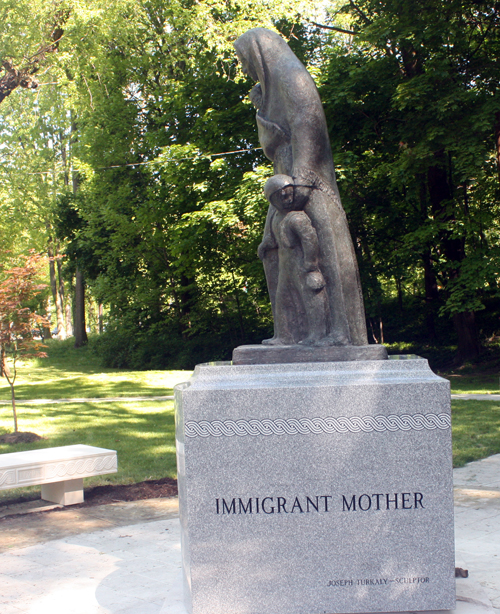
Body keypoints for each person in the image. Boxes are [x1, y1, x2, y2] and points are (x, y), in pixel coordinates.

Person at [234, 28, 368, 346]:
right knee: (277, 257)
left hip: (305, 182)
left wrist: (304, 178)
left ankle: (338, 333)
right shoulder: (270, 88)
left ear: (258, 54)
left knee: (326, 257)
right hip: (285, 179)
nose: (245, 69)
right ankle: (291, 333)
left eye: (245, 61)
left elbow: (308, 119)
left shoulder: (292, 76)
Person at [259, 174, 328, 346]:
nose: (287, 199)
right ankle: (284, 336)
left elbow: (309, 239)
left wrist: (310, 264)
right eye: (282, 197)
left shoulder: (297, 218)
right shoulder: (277, 218)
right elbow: (274, 240)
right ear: (272, 200)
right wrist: (264, 246)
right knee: (283, 299)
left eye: (289, 194)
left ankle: (317, 335)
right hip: (285, 266)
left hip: (301, 265)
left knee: (310, 296)